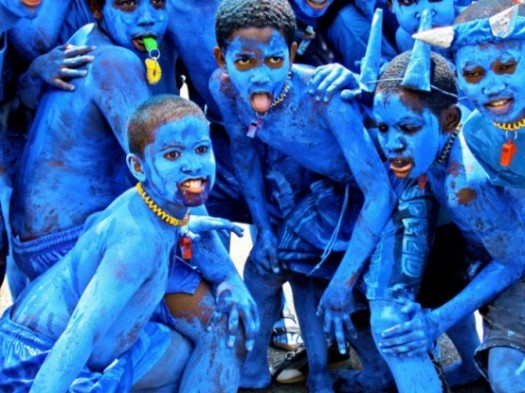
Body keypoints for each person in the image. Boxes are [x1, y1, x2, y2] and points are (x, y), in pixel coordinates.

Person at [0, 94, 253, 392]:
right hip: (36, 364)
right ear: (138, 167)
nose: (192, 165)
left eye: (201, 149)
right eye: (172, 155)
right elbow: (83, 331)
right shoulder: (136, 242)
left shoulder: (150, 205)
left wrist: (184, 228)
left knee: (200, 346)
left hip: (47, 344)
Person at [210, 0, 396, 390]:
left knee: (355, 297)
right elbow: (245, 155)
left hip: (380, 198)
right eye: (244, 62)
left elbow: (380, 193)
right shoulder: (224, 88)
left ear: (293, 54)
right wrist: (264, 230)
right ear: (220, 58)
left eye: (274, 61)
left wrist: (345, 282)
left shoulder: (322, 98)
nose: (260, 77)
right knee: (267, 268)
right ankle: (259, 369)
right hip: (330, 194)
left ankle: (376, 372)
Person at [372, 23, 525, 392]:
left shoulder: (464, 182)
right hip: (490, 252)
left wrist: (434, 322)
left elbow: (514, 260)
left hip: (515, 264)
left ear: (450, 119)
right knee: (442, 264)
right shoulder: (434, 153)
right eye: (382, 128)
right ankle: (474, 364)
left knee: (508, 378)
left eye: (408, 129)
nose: (392, 144)